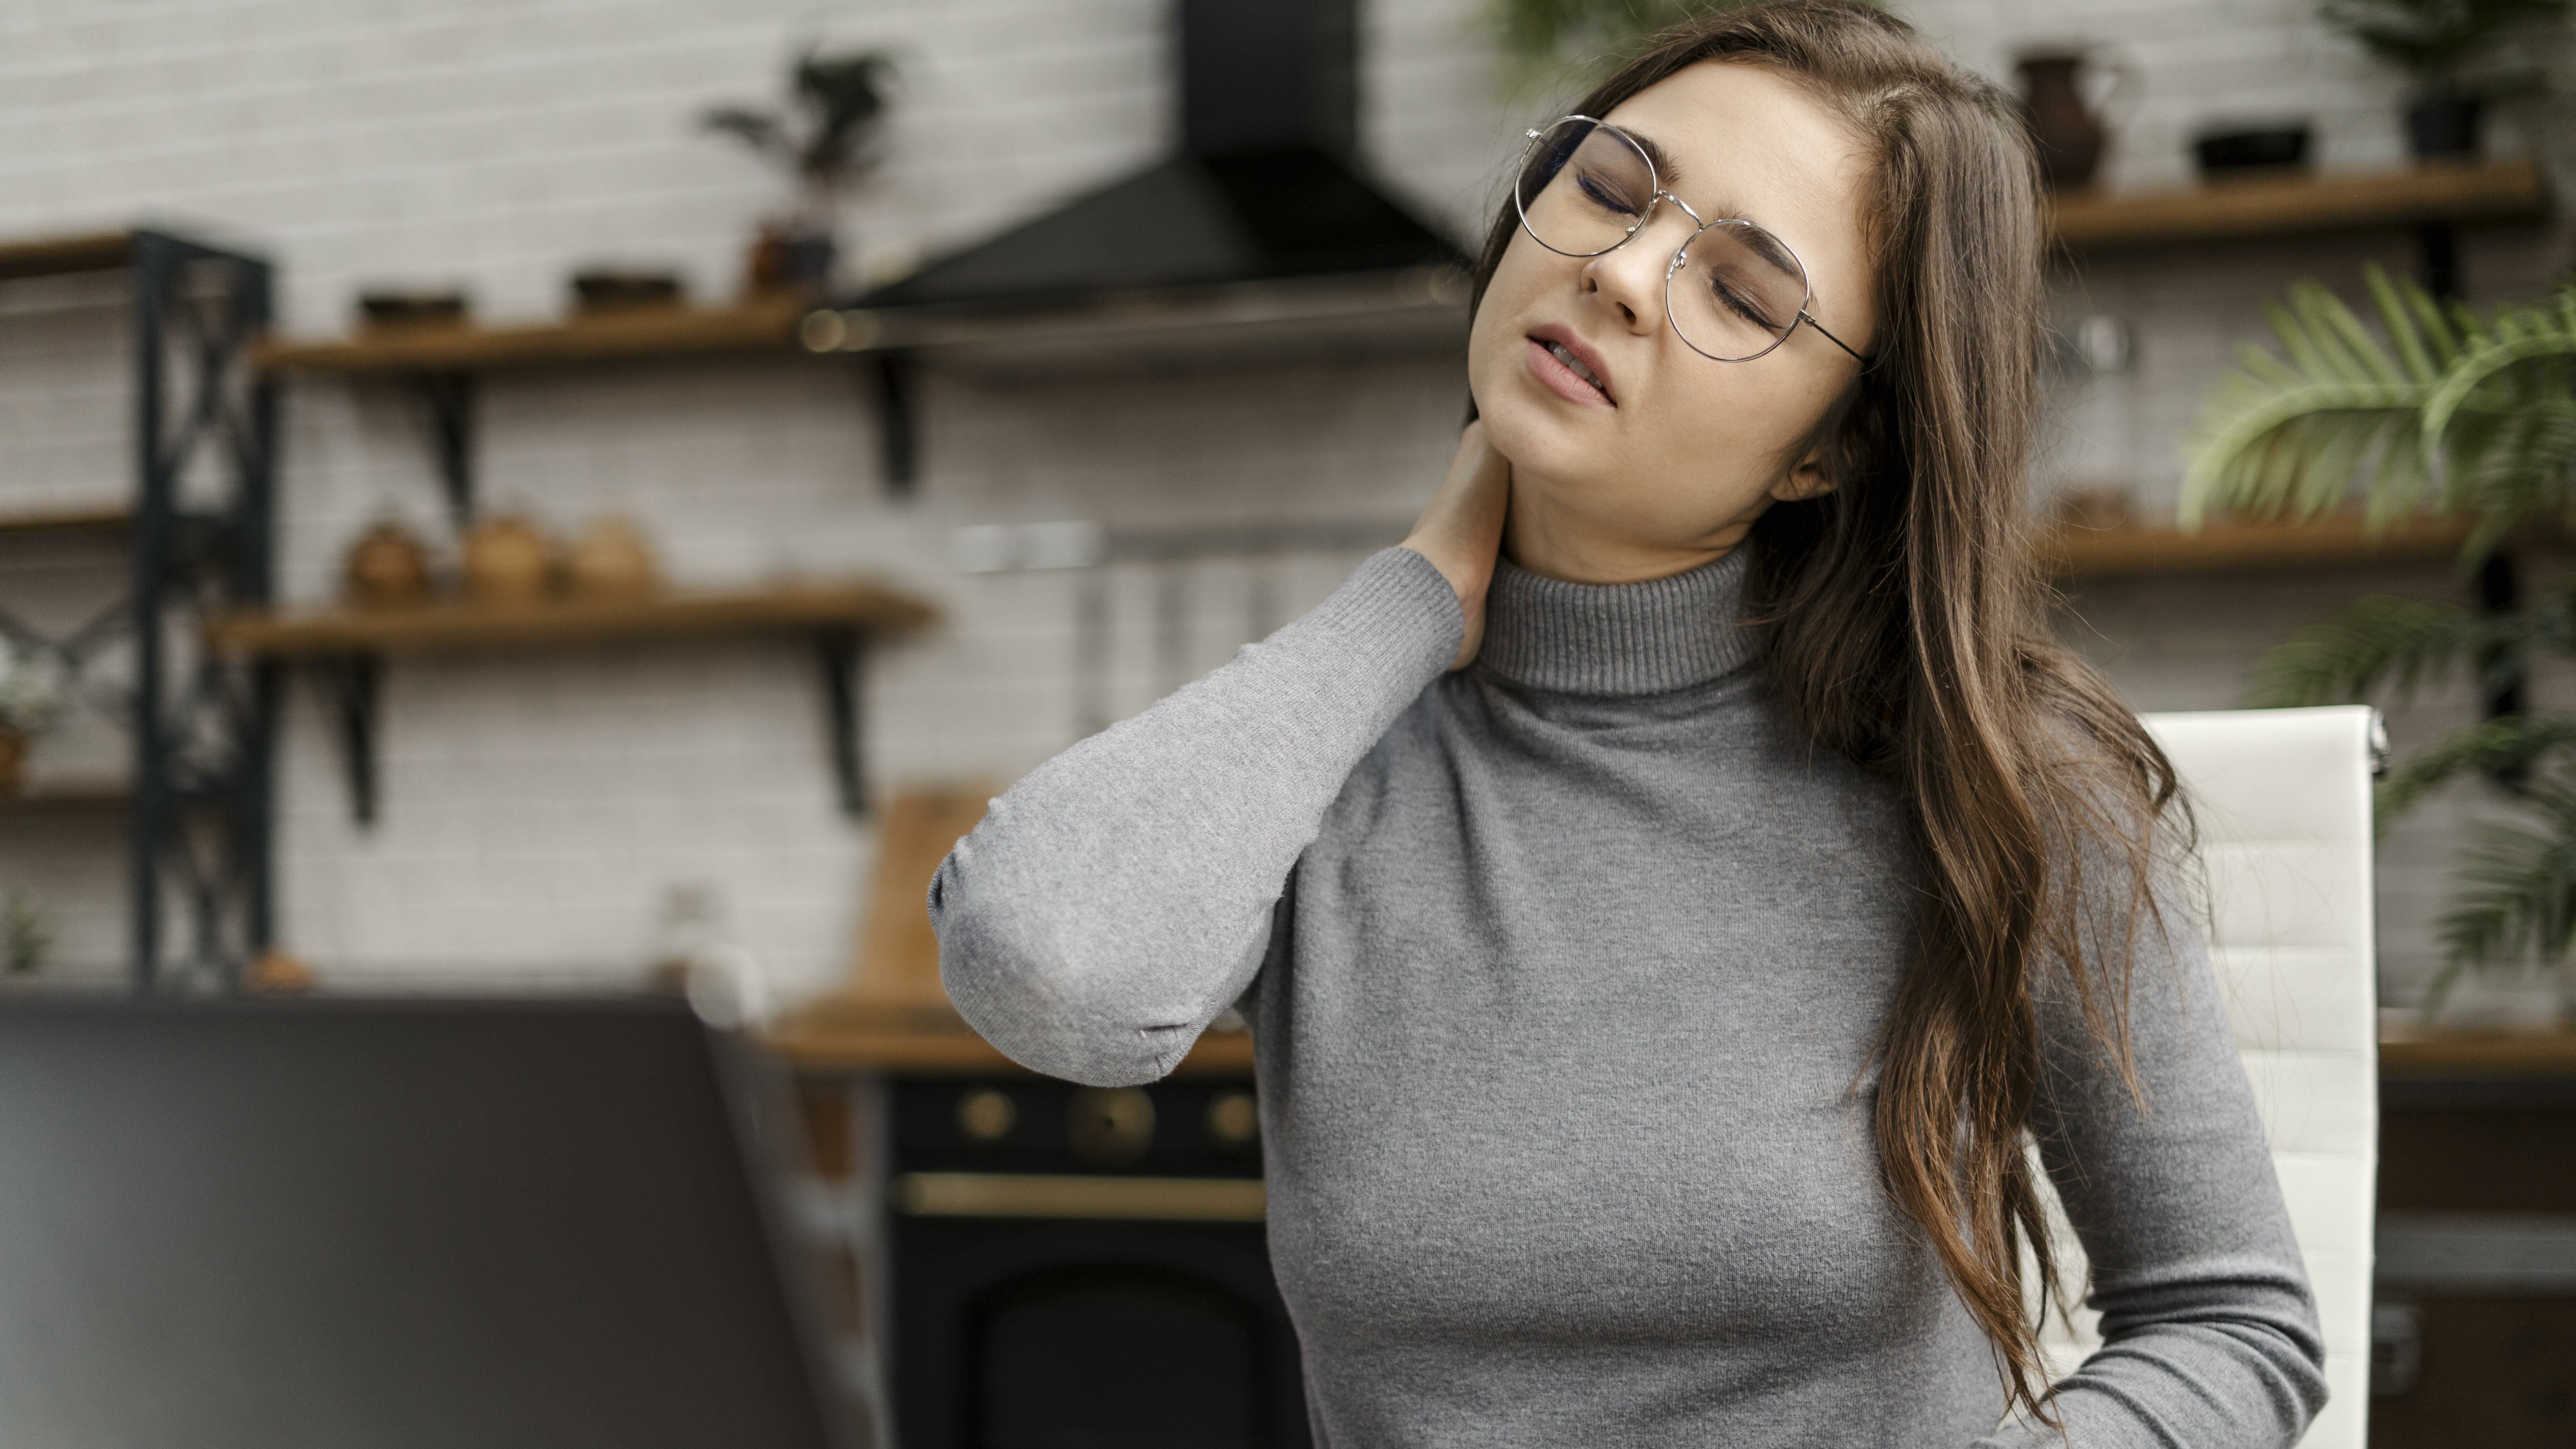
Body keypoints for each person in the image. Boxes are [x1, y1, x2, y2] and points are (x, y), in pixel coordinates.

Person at [929, 3, 2330, 1444]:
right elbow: (1051, 969)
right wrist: (1406, 599)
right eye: (1607, 187)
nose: (1618, 274)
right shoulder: (1333, 758)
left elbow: (2229, 1324)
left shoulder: (2000, 788)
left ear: (1831, 449)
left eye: (1740, 292)